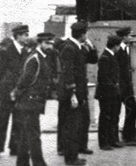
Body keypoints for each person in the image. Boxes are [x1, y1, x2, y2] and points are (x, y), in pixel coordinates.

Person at [12, 32, 55, 166]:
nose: (50, 46)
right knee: (34, 135)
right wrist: (17, 93)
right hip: (30, 101)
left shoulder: (41, 57)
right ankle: (39, 163)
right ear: (39, 43)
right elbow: (24, 80)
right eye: (47, 43)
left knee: (26, 134)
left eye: (51, 44)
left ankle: (21, 162)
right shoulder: (35, 58)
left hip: (33, 101)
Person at [59, 22, 98, 165]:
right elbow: (67, 73)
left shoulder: (79, 47)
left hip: (80, 92)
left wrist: (91, 46)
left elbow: (93, 59)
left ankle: (74, 154)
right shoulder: (69, 48)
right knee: (71, 127)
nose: (87, 36)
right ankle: (70, 159)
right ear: (82, 34)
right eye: (86, 33)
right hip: (73, 94)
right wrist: (72, 94)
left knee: (78, 124)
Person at [0, 24, 30, 159]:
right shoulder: (7, 51)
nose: (27, 37)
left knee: (18, 120)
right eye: (25, 35)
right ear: (18, 36)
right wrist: (1, 88)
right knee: (3, 120)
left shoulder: (25, 52)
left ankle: (15, 147)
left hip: (19, 92)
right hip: (7, 92)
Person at [96, 35, 122, 151]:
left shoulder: (110, 56)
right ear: (115, 46)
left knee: (112, 116)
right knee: (105, 117)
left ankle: (112, 140)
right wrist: (113, 86)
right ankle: (104, 142)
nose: (119, 48)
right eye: (118, 46)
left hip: (112, 92)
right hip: (106, 93)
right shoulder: (105, 57)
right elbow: (103, 77)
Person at [114, 27, 136, 143]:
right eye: (130, 35)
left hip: (126, 86)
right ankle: (127, 136)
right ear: (124, 37)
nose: (131, 38)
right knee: (129, 108)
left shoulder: (124, 49)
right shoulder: (119, 50)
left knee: (131, 108)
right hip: (122, 87)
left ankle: (127, 135)